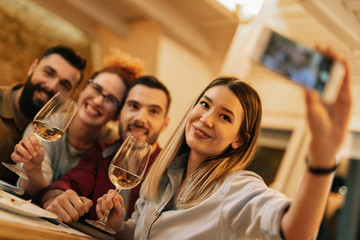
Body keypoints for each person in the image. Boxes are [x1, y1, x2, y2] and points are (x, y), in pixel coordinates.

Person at [96, 53, 352, 239]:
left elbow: (296, 232)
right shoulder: (162, 174)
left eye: (225, 117)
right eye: (205, 105)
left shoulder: (235, 189)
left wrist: (322, 159)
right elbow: (138, 232)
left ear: (239, 140)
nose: (206, 119)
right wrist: (120, 226)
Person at [10, 50, 144, 199]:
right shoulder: (49, 124)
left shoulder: (113, 146)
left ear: (117, 114)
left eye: (111, 99)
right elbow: (29, 187)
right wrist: (33, 169)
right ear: (84, 88)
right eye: (96, 89)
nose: (98, 101)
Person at [40, 75, 171, 223]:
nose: (140, 118)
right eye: (134, 106)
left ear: (165, 123)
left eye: (153, 111)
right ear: (120, 113)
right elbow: (65, 184)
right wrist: (56, 198)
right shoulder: (102, 152)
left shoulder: (171, 170)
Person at [0, 45, 86, 185]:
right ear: (33, 67)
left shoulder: (56, 135)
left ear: (71, 95)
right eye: (48, 73)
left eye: (64, 84)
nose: (51, 86)